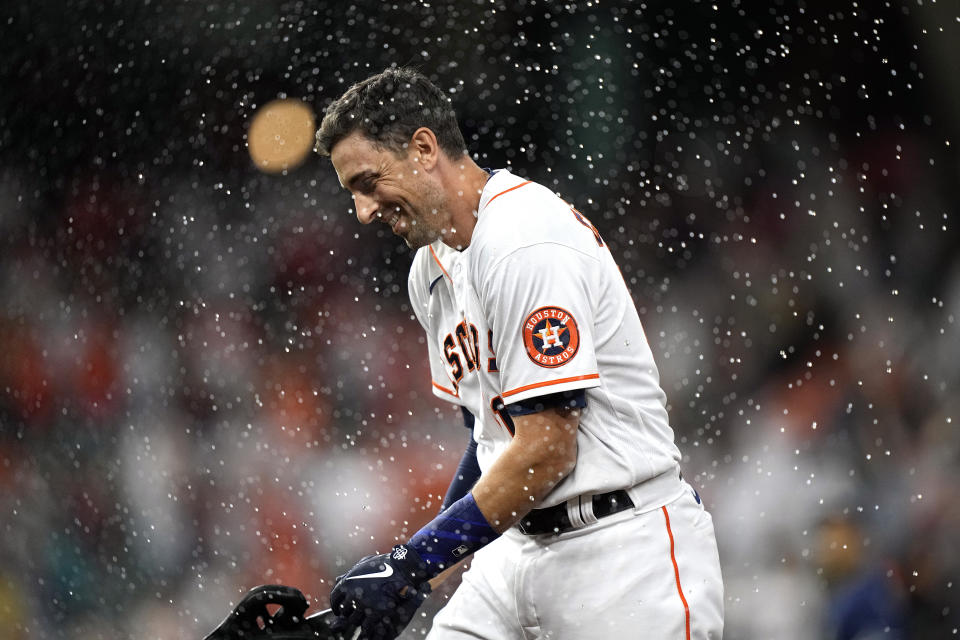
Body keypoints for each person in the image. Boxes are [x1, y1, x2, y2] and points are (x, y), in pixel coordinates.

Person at [313, 67, 724, 640]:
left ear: (424, 148)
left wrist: (415, 561)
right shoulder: (428, 270)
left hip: (622, 552)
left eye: (367, 181)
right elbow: (490, 442)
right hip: (512, 555)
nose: (363, 211)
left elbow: (547, 449)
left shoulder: (523, 238)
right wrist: (415, 577)